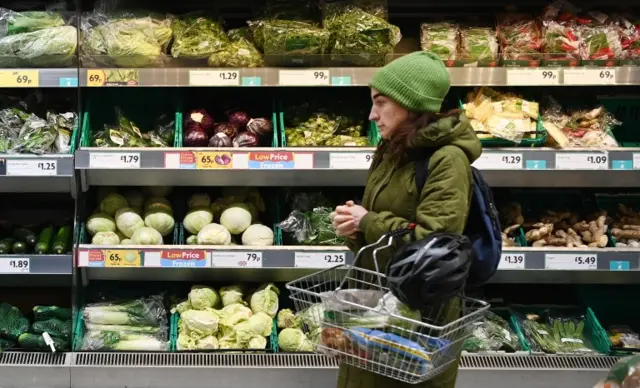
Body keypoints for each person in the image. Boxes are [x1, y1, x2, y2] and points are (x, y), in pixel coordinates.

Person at [330, 51, 483, 388]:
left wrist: (367, 222)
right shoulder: (391, 150)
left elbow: (436, 249)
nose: (372, 115)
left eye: (381, 102)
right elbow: (380, 229)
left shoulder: (448, 160)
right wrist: (352, 229)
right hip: (376, 307)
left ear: (411, 104)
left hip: (418, 323)